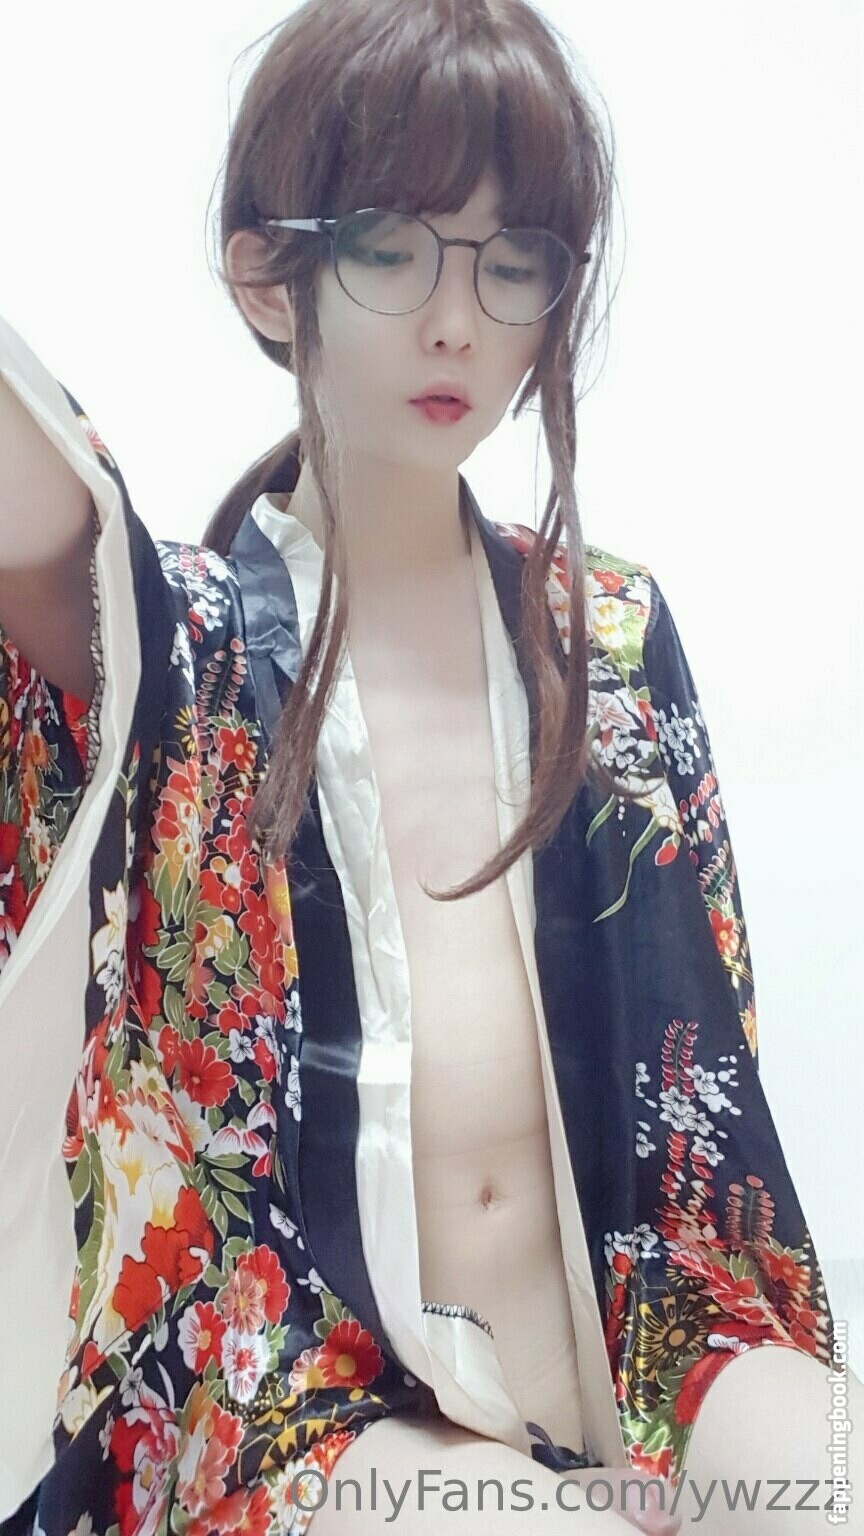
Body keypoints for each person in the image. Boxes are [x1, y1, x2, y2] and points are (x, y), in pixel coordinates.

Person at [0, 2, 856, 1534]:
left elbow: (696, 1107)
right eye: (391, 247)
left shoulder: (610, 635)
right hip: (310, 1395)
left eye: (512, 259)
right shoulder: (185, 653)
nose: (460, 321)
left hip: (642, 1324)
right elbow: (43, 502)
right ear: (266, 275)